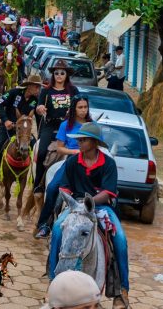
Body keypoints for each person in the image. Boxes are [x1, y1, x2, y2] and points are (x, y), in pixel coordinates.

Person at [44, 122, 130, 309]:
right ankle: (52, 279)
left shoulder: (109, 164)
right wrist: (74, 202)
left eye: (83, 140)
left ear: (94, 142)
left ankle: (122, 291)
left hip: (101, 207)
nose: (79, 143)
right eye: (79, 140)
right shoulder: (72, 162)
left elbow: (108, 192)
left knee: (121, 239)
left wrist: (89, 202)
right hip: (75, 205)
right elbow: (65, 187)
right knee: (58, 229)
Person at [35, 94, 92, 239]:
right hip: (72, 161)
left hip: (90, 162)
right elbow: (60, 148)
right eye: (80, 107)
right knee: (53, 187)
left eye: (85, 107)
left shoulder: (92, 126)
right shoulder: (66, 125)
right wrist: (75, 151)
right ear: (74, 108)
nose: (83, 110)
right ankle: (44, 224)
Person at [0, 74, 42, 195]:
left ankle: (35, 183)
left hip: (24, 133)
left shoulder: (36, 100)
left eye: (39, 88)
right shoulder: (14, 92)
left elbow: (40, 119)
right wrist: (5, 120)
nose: (38, 90)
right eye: (37, 87)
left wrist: (40, 136)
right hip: (7, 128)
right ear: (30, 86)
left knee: (37, 151)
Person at [33, 61, 79, 198]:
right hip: (51, 125)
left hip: (69, 126)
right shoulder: (46, 90)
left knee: (77, 153)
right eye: (56, 73)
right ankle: (38, 185)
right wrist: (40, 109)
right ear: (53, 74)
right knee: (41, 153)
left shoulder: (73, 91)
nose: (59, 75)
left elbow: (81, 105)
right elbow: (38, 106)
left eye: (62, 73)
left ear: (67, 75)